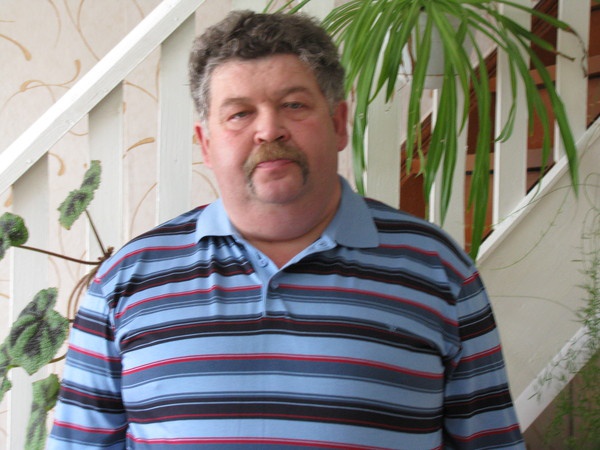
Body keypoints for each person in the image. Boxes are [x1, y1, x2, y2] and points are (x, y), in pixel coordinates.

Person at [48, 10, 525, 449]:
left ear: (338, 123)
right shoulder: (125, 282)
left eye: (294, 105)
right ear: (206, 143)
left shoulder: (438, 270)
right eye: (240, 113)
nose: (269, 130)